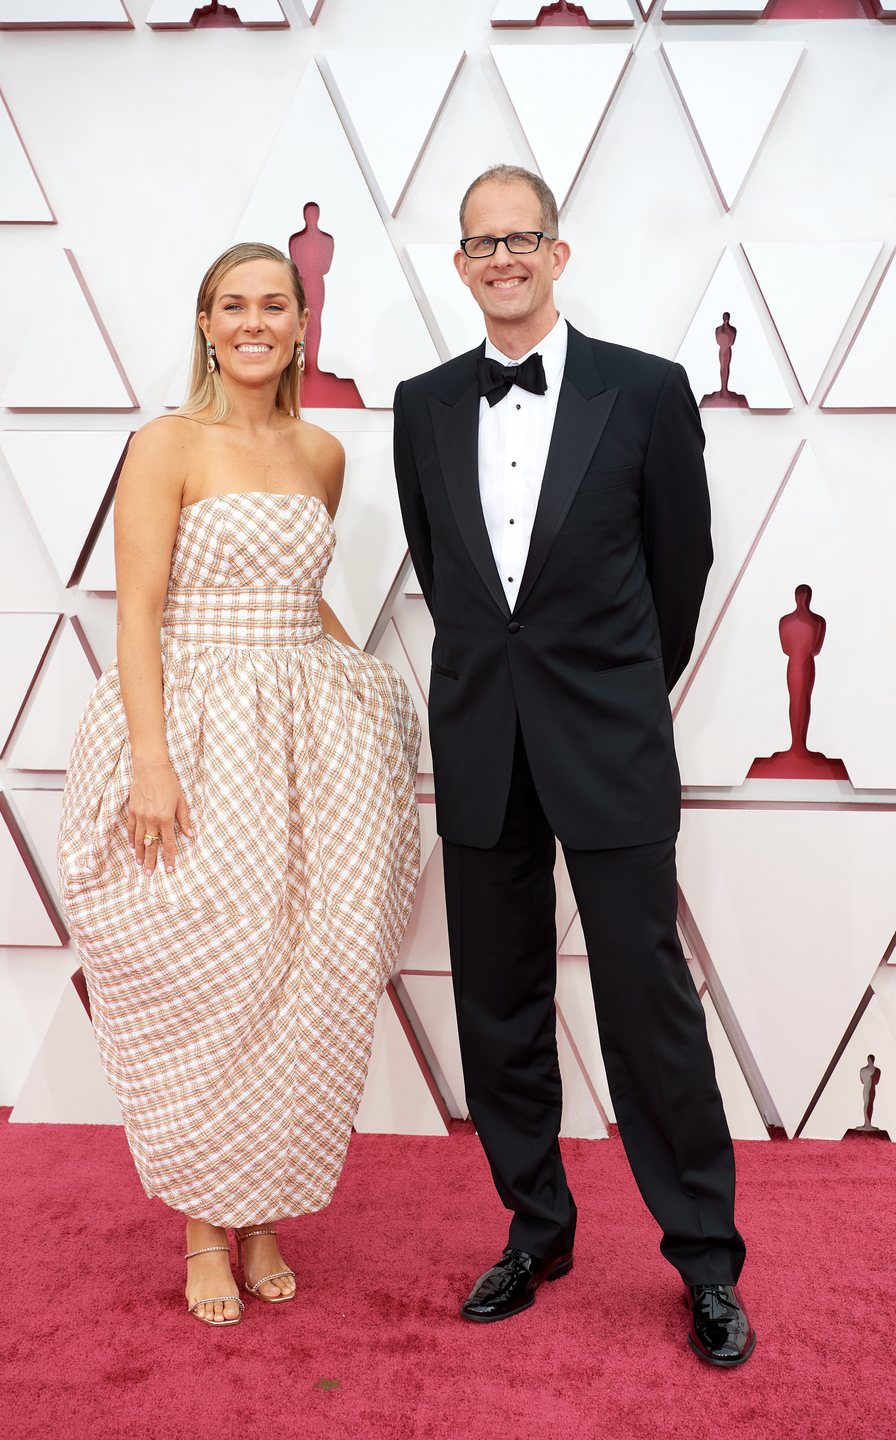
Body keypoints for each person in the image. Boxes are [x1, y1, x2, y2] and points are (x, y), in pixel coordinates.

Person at [393, 165, 754, 1367]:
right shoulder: (421, 403)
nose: (502, 257)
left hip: (607, 737)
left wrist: (608, 693)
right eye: (480, 242)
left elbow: (679, 577)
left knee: (646, 1004)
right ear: (460, 264)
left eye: (522, 237)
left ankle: (705, 1258)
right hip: (481, 739)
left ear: (559, 252)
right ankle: (535, 1226)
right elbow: (448, 579)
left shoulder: (646, 392)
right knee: (497, 1007)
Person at [58, 241, 420, 1327]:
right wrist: (153, 762)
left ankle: (263, 1211)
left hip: (305, 740)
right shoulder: (167, 442)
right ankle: (204, 1227)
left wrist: (368, 694)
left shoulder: (321, 452)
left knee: (307, 969)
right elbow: (135, 613)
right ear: (206, 323)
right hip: (199, 726)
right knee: (213, 974)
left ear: (304, 322)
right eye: (233, 305)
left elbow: (302, 601)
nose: (254, 321)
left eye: (275, 304)